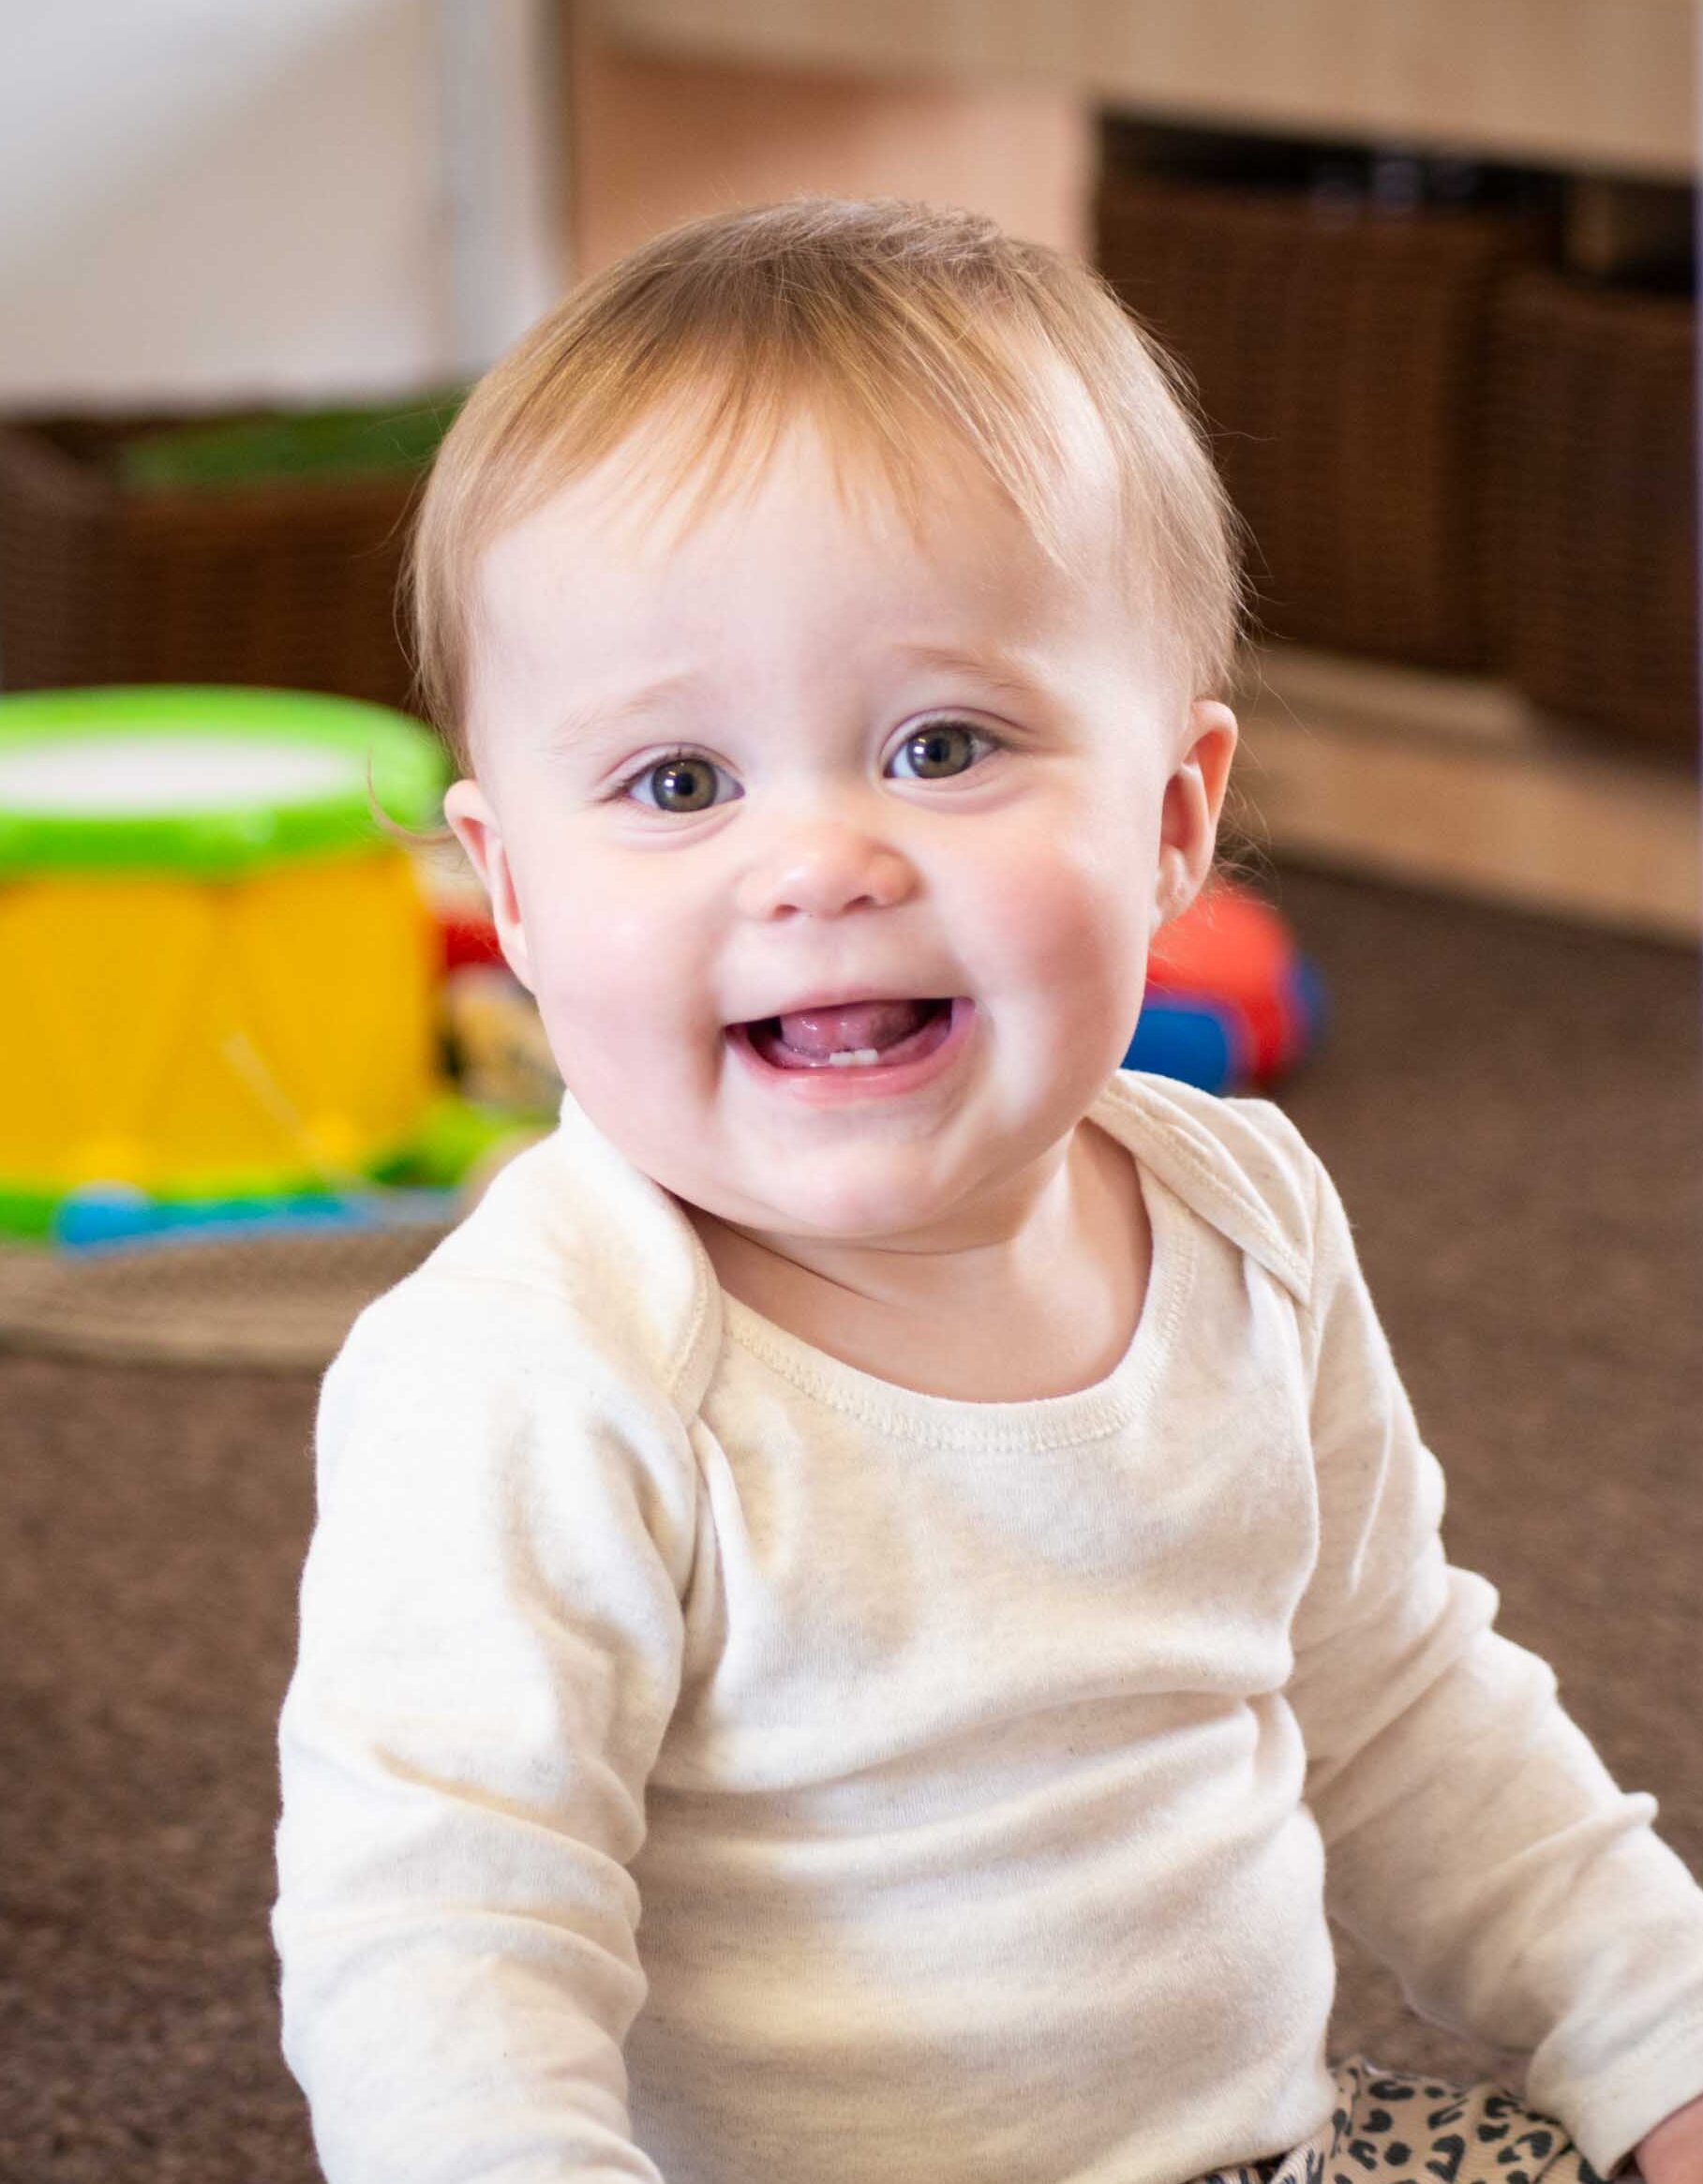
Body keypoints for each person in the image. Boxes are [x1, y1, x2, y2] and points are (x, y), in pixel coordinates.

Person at [273, 199, 1703, 2184]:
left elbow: (1396, 1695)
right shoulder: (533, 1367)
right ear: (511, 888)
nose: (819, 863)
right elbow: (444, 1939)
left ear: (1176, 816)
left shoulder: (1241, 1214)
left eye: (943, 744)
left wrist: (1662, 2037)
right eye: (681, 784)